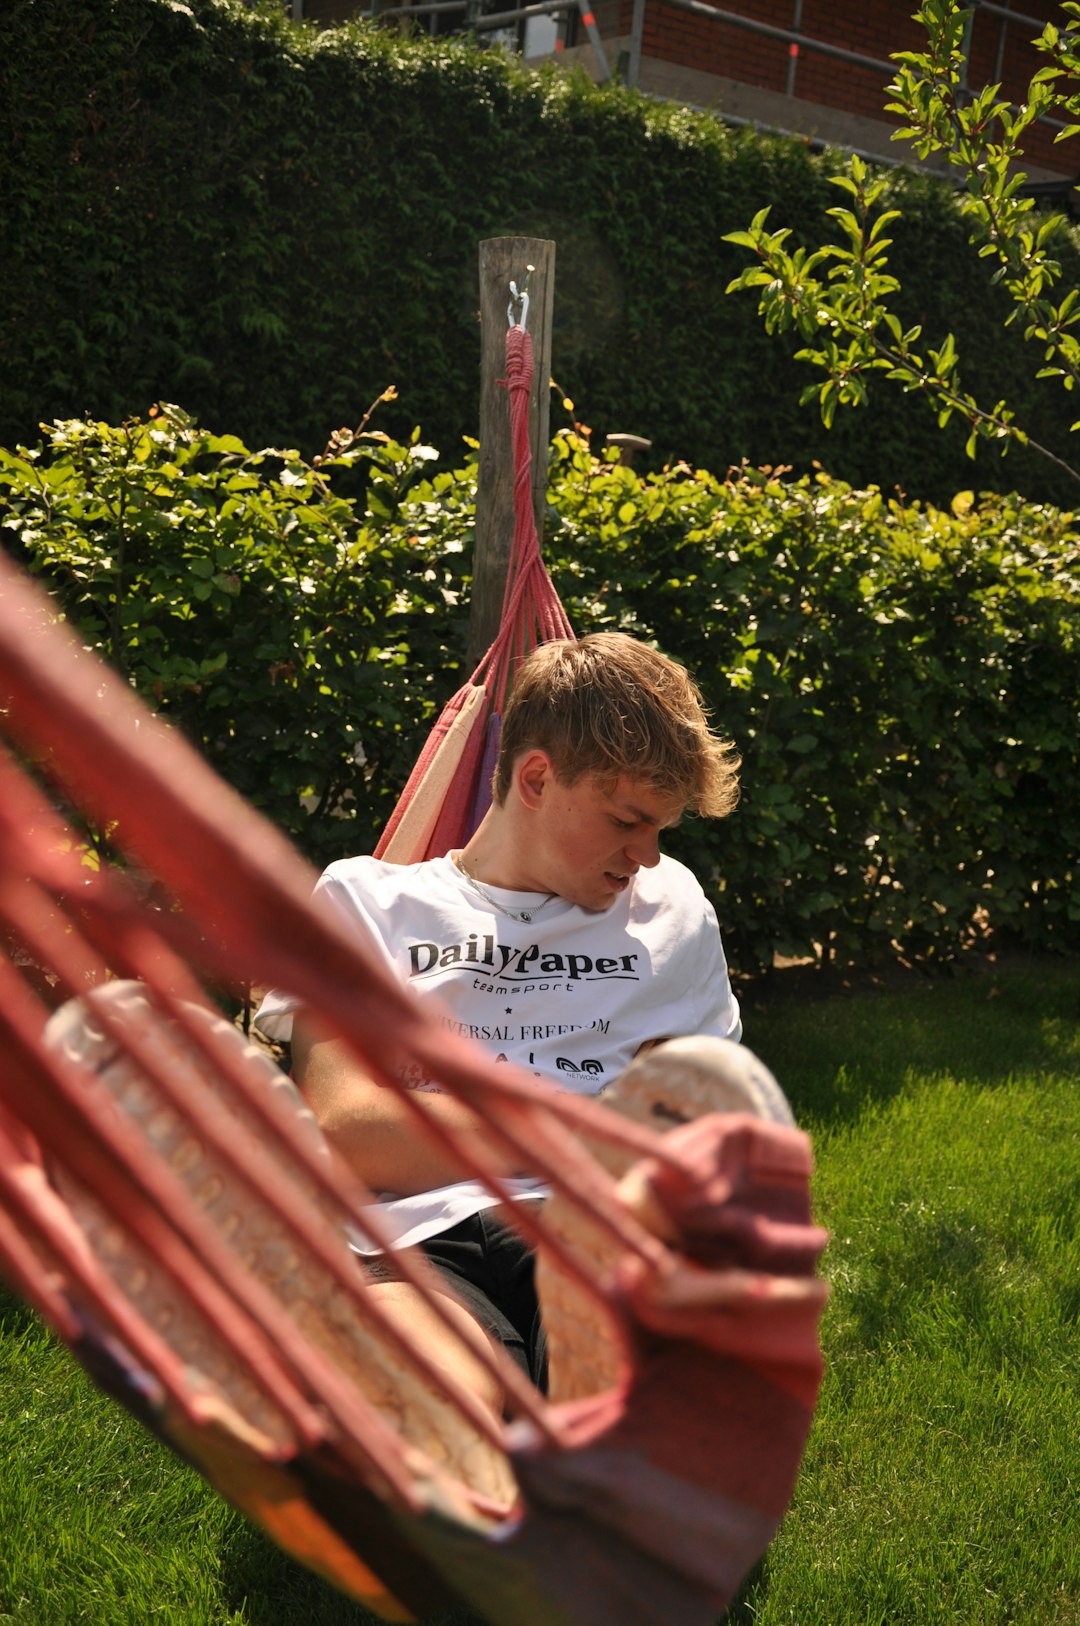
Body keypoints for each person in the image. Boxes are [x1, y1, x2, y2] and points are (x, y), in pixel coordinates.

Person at [255, 632, 744, 1424]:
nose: (647, 855)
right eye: (628, 820)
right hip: (409, 1242)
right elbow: (351, 1130)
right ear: (537, 777)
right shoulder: (366, 903)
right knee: (434, 1411)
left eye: (662, 828)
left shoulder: (672, 911)